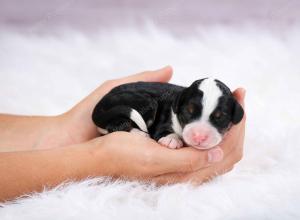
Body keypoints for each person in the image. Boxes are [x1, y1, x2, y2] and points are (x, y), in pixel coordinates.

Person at [0, 66, 246, 202]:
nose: (201, 134)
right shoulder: (171, 108)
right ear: (181, 105)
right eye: (191, 115)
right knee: (141, 114)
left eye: (218, 119)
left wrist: (63, 131)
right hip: (115, 113)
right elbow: (163, 128)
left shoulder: (185, 101)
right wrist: (99, 159)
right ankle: (122, 125)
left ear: (233, 114)